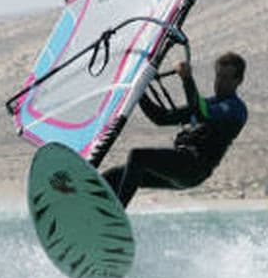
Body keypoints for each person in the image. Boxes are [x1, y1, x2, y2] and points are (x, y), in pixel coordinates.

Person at [102, 52, 248, 208]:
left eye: (226, 78)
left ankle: (117, 213)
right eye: (218, 76)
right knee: (114, 176)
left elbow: (200, 112)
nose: (220, 82)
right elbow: (161, 118)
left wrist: (187, 78)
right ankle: (94, 210)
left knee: (138, 156)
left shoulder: (235, 109)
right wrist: (137, 91)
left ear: (238, 80)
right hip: (180, 166)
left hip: (194, 167)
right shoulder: (209, 103)